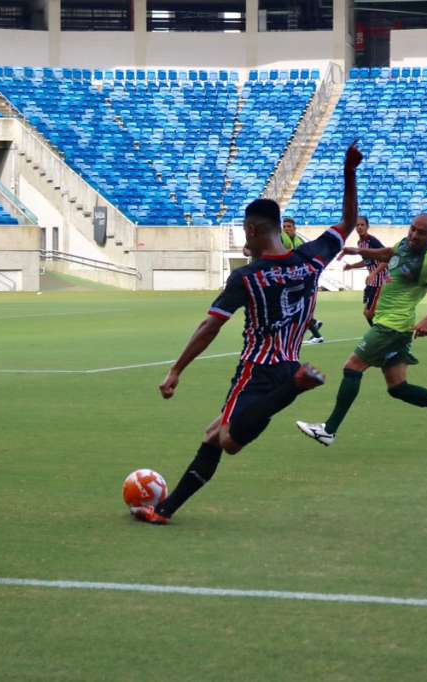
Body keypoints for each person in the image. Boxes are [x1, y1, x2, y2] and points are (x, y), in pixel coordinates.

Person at [131, 143, 364, 525]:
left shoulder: (247, 277)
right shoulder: (311, 258)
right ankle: (164, 510)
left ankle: (296, 387)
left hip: (257, 371)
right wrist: (349, 172)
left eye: (245, 231)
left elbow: (210, 326)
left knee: (227, 440)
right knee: (212, 436)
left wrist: (176, 370)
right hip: (288, 363)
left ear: (253, 229)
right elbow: (348, 223)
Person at [295, 213, 427, 448]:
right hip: (390, 324)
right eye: (412, 229)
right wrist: (358, 251)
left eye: (421, 233)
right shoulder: (404, 244)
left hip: (393, 327)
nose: (414, 235)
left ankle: (329, 430)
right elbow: (388, 253)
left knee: (352, 367)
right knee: (398, 388)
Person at [281, 217, 325, 344]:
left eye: (289, 226)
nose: (286, 229)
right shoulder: (285, 240)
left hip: (301, 280)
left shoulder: (299, 242)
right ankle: (314, 324)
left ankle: (316, 334)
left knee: (298, 309)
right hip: (292, 279)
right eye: (284, 227)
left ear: (294, 229)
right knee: (298, 309)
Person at [340, 216, 388, 325]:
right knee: (368, 313)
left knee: (369, 313)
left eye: (362, 225)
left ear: (367, 227)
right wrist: (351, 266)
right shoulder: (360, 244)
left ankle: (380, 336)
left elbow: (386, 259)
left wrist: (374, 273)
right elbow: (367, 261)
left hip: (380, 281)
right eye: (357, 225)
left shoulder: (373, 241)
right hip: (372, 282)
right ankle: (380, 335)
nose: (360, 227)